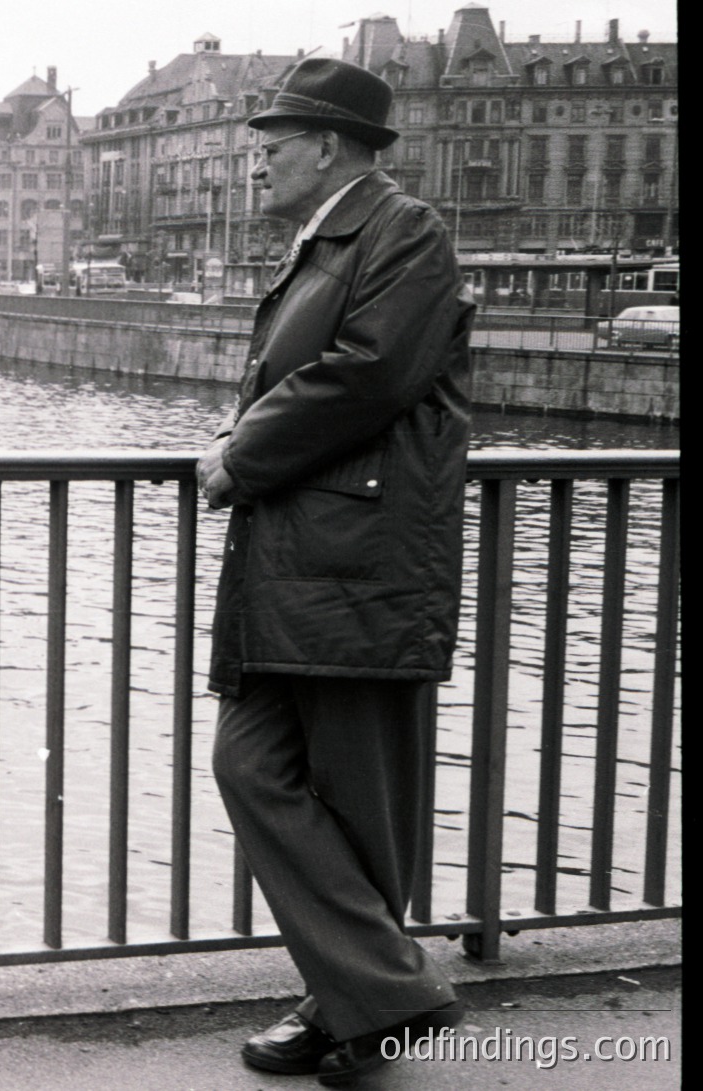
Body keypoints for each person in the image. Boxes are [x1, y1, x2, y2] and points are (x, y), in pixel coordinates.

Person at [195, 57, 474, 1088]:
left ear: (330, 146)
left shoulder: (400, 230)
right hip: (303, 557)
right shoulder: (330, 238)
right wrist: (249, 438)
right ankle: (381, 993)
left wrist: (240, 449)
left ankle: (351, 1007)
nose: (258, 156)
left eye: (274, 142)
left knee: (353, 791)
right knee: (250, 761)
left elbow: (367, 371)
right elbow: (330, 371)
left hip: (357, 558)